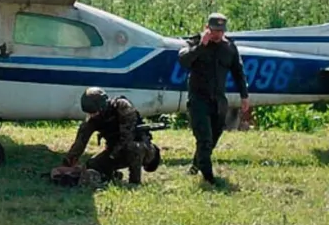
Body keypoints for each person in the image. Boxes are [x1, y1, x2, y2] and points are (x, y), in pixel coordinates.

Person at [177, 12, 251, 185]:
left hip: (218, 101)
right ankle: (209, 178)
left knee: (213, 139)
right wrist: (202, 46)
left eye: (221, 31)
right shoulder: (195, 44)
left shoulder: (229, 47)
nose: (217, 34)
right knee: (204, 139)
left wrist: (244, 96)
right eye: (214, 30)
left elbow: (238, 73)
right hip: (198, 100)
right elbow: (184, 61)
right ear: (207, 28)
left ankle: (196, 166)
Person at [60, 87, 159, 186]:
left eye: (94, 112)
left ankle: (134, 182)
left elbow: (127, 137)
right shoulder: (93, 119)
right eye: (90, 113)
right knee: (92, 164)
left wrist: (112, 156)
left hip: (143, 149)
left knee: (133, 148)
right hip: (115, 151)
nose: (92, 115)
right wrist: (68, 162)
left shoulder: (122, 106)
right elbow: (80, 142)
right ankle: (111, 176)